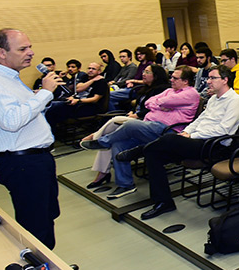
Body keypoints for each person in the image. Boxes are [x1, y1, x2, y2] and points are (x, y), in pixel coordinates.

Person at [0, 28, 62, 248]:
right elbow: (11, 121)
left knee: (46, 216)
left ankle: (48, 264)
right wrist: (44, 93)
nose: (30, 53)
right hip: (23, 163)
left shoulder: (9, 79)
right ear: (1, 52)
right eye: (23, 49)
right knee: (36, 224)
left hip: (35, 160)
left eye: (30, 47)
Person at [138, 66, 239, 220]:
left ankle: (138, 151)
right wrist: (186, 132)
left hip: (215, 146)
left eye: (212, 78)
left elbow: (224, 130)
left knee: (168, 139)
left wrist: (192, 135)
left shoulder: (235, 101)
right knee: (153, 154)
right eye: (208, 78)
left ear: (225, 80)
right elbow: (200, 120)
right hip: (197, 140)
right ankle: (163, 202)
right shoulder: (214, 99)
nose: (208, 81)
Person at [83, 66, 199, 199]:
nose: (171, 79)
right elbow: (149, 103)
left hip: (167, 131)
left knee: (130, 124)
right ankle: (126, 185)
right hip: (149, 128)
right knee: (119, 145)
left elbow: (162, 101)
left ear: (185, 81)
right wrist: (161, 106)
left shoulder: (191, 93)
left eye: (175, 78)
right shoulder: (169, 90)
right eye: (171, 77)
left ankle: (103, 141)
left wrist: (160, 104)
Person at [81, 64, 171, 190]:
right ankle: (104, 171)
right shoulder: (144, 89)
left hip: (147, 122)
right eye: (144, 71)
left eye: (147, 72)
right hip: (136, 118)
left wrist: (137, 114)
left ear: (156, 76)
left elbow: (157, 110)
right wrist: (133, 112)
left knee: (114, 122)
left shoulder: (164, 90)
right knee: (114, 141)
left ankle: (96, 138)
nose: (143, 74)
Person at [45, 61, 109, 135]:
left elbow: (95, 99)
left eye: (93, 69)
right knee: (51, 107)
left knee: (54, 109)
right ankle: (53, 133)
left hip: (88, 107)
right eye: (89, 68)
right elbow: (78, 89)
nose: (90, 70)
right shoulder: (85, 77)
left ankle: (52, 135)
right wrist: (92, 80)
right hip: (76, 103)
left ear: (99, 71)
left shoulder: (101, 82)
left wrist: (78, 100)